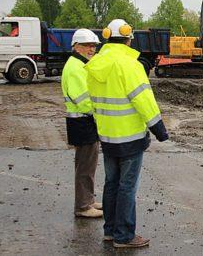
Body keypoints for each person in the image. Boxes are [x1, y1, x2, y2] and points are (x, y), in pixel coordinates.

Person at [85, 19, 168, 248]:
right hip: (130, 136)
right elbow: (143, 99)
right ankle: (124, 236)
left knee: (111, 183)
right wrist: (159, 129)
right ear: (128, 38)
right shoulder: (129, 65)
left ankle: (110, 231)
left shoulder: (95, 64)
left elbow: (92, 101)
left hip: (108, 136)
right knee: (127, 187)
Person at [61, 28, 103, 218]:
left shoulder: (79, 65)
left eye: (93, 46)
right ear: (76, 47)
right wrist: (102, 110)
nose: (91, 49)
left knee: (88, 163)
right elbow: (84, 101)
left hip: (84, 121)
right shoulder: (75, 67)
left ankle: (88, 199)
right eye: (87, 45)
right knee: (85, 165)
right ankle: (83, 206)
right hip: (82, 121)